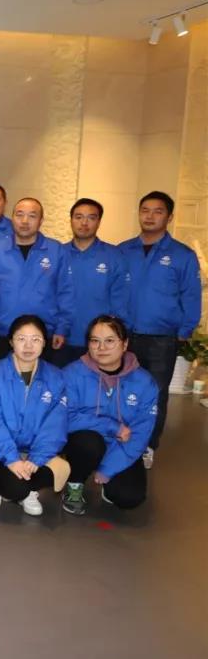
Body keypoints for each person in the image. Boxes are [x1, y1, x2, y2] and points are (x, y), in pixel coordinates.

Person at [117, 191, 201, 466]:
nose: (150, 216)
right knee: (121, 390)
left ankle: (146, 444)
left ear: (169, 216)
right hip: (124, 336)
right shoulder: (123, 250)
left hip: (161, 338)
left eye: (158, 211)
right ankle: (119, 439)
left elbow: (191, 295)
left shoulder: (182, 255)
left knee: (154, 393)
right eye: (145, 210)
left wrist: (185, 330)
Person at [60, 315, 157, 514]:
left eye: (110, 341)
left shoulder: (144, 382)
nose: (101, 348)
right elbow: (64, 418)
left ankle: (109, 481)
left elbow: (141, 432)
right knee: (88, 443)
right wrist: (112, 427)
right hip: (84, 440)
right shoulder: (71, 374)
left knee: (129, 497)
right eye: (95, 341)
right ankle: (74, 483)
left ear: (125, 344)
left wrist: (108, 469)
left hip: (121, 445)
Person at [0, 314, 68, 516]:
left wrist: (36, 459)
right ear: (11, 342)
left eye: (35, 339)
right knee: (14, 489)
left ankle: (29, 489)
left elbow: (56, 425)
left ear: (44, 343)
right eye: (21, 339)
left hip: (34, 453)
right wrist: (12, 459)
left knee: (58, 470)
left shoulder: (56, 377)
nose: (28, 346)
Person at [0, 198, 73, 365]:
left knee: (41, 379)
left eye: (32, 216)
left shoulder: (56, 251)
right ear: (12, 218)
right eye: (19, 215)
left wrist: (62, 328)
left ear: (41, 220)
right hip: (2, 334)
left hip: (43, 334)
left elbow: (66, 292)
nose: (25, 221)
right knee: (1, 378)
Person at [58, 198, 130, 368]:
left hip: (100, 344)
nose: (84, 223)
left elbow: (120, 302)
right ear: (71, 220)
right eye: (78, 217)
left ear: (99, 222)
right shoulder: (58, 253)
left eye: (91, 217)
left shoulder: (114, 256)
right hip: (61, 339)